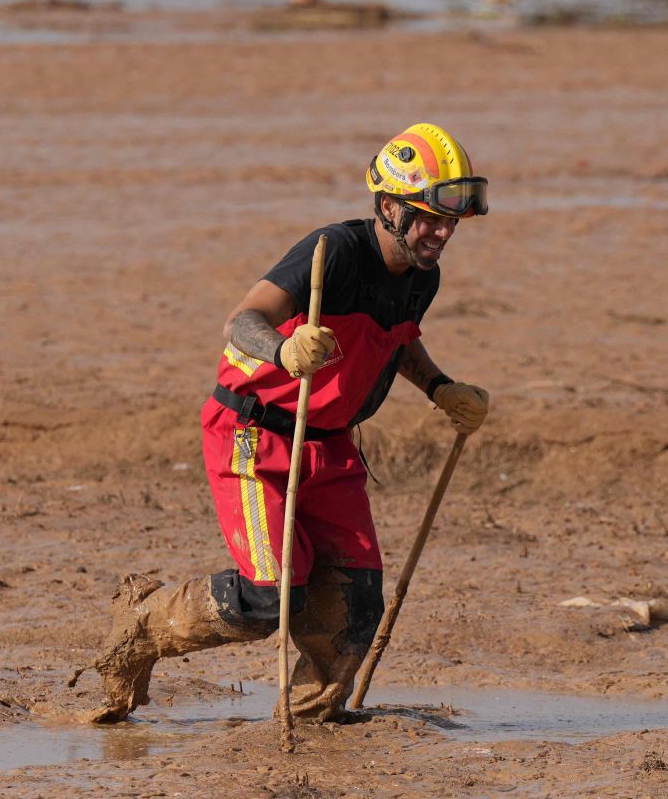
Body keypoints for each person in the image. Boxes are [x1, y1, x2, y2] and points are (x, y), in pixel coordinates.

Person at [79, 123, 493, 724]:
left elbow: (399, 342)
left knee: (357, 603)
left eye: (449, 221)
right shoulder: (334, 251)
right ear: (388, 207)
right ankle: (145, 625)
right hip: (255, 435)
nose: (441, 232)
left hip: (330, 446)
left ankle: (310, 718)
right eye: (428, 217)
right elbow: (242, 320)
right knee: (273, 596)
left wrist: (440, 387)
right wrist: (283, 351)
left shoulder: (422, 277)